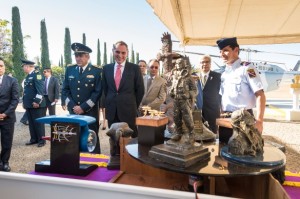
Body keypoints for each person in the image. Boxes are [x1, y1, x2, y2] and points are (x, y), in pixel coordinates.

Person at [217, 37, 266, 136]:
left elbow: (260, 94)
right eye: (220, 51)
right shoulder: (224, 74)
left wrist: (259, 121)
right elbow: (223, 98)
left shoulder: (248, 69)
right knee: (224, 147)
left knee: (243, 150)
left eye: (225, 51)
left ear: (236, 50)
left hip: (244, 118)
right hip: (226, 118)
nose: (222, 54)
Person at [62, 43, 102, 153]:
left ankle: (94, 163)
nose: (78, 58)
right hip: (73, 111)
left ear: (88, 56)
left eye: (81, 55)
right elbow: (65, 90)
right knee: (74, 138)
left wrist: (83, 107)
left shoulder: (96, 71)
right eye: (76, 56)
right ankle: (76, 162)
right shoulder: (70, 69)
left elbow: (97, 93)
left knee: (91, 138)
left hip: (90, 112)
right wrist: (73, 106)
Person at [102, 41, 144, 138]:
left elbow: (140, 90)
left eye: (123, 53)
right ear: (113, 51)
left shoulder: (135, 68)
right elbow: (105, 89)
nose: (120, 55)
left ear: (127, 53)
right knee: (114, 140)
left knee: (131, 142)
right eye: (117, 52)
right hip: (112, 111)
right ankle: (115, 154)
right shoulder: (106, 68)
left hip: (129, 111)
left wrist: (132, 104)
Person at [169, 57, 197, 142]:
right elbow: (173, 86)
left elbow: (195, 90)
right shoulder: (174, 76)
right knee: (176, 117)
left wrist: (189, 94)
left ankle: (191, 134)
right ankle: (178, 133)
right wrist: (171, 91)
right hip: (176, 100)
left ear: (184, 64)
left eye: (180, 63)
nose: (178, 65)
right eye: (177, 63)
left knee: (187, 117)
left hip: (184, 101)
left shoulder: (188, 77)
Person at [21, 58, 47, 147]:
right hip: (29, 104)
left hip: (36, 105)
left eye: (23, 66)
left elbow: (40, 91)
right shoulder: (28, 76)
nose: (23, 68)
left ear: (28, 66)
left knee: (38, 123)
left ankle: (42, 141)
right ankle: (34, 139)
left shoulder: (37, 75)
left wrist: (37, 102)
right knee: (31, 123)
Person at [0, 57, 19, 171]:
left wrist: (5, 114)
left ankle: (5, 161)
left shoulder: (12, 81)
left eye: (1, 66)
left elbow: (15, 100)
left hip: (7, 117)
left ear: (4, 67)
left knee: (7, 141)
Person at [195, 55, 221, 134]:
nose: (205, 64)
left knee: (211, 135)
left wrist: (221, 108)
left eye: (207, 62)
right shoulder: (193, 76)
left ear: (210, 64)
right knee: (197, 134)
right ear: (199, 64)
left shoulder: (217, 76)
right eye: (202, 62)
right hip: (196, 112)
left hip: (212, 112)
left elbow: (220, 94)